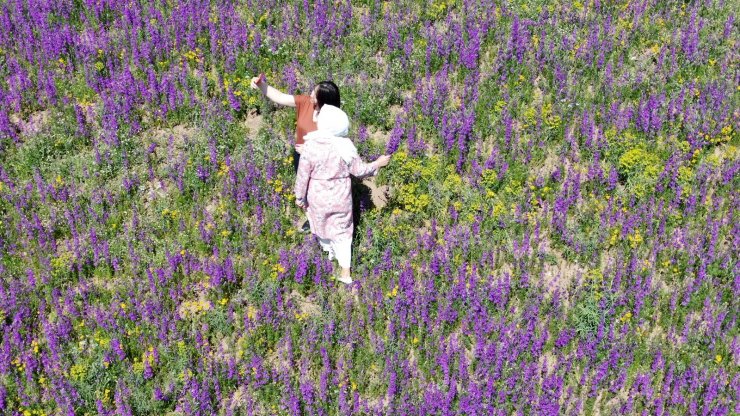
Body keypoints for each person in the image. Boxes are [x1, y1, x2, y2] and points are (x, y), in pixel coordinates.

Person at [294, 105, 391, 284]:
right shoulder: (345, 146)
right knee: (343, 232)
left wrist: (299, 197)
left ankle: (329, 253)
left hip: (318, 198)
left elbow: (302, 177)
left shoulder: (310, 146)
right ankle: (345, 272)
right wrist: (377, 163)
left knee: (322, 224)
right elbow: (360, 171)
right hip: (340, 198)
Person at [249, 76, 341, 232]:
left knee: (322, 192)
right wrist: (261, 85)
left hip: (322, 161)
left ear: (323, 100)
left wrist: (309, 150)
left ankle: (327, 223)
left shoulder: (334, 118)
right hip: (301, 158)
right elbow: (279, 97)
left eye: (315, 93)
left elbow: (334, 147)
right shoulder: (306, 103)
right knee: (305, 191)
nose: (311, 94)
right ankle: (311, 219)